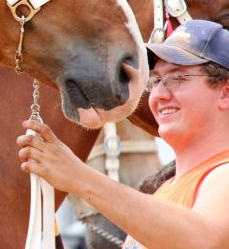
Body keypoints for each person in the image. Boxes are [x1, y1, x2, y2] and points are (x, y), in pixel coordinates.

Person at [17, 19, 229, 249]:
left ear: (226, 92)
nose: (159, 94)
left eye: (177, 78)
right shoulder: (162, 192)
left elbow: (203, 241)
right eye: (155, 80)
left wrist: (78, 177)